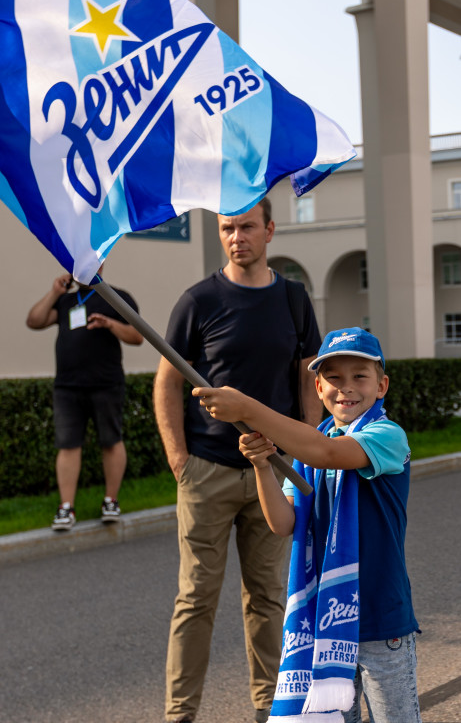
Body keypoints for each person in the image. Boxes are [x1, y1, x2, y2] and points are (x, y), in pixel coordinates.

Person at [193, 327, 421, 723]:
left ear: (382, 386)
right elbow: (284, 523)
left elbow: (328, 453)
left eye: (359, 376)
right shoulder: (307, 447)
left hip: (383, 621)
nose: (345, 388)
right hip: (325, 625)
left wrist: (247, 407)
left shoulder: (386, 435)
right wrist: (263, 465)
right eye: (333, 377)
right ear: (317, 387)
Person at [153, 197, 323, 723]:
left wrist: (307, 443)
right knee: (196, 599)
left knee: (268, 600)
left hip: (274, 473)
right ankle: (180, 714)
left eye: (246, 227)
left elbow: (307, 376)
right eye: (227, 228)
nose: (236, 237)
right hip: (208, 470)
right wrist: (180, 460)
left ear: (270, 231)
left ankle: (270, 709)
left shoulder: (294, 300)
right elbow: (166, 381)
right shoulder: (199, 300)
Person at [26, 266, 143, 530]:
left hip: (106, 384)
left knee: (111, 441)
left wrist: (110, 324)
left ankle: (110, 501)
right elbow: (34, 321)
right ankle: (66, 508)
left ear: (100, 264)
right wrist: (54, 293)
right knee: (68, 445)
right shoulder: (66, 300)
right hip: (68, 386)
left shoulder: (117, 297)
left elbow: (137, 337)